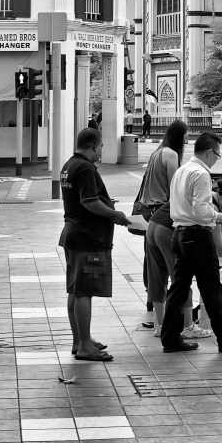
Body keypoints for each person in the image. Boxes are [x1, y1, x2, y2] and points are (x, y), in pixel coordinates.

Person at [160, 131, 222, 353]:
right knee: (211, 289)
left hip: (179, 233)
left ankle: (170, 338)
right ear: (210, 152)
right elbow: (201, 212)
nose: (216, 159)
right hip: (197, 235)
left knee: (178, 288)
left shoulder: (181, 171)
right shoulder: (201, 174)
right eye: (217, 155)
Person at [59, 127, 131, 362]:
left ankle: (80, 340)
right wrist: (113, 214)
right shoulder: (86, 168)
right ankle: (84, 347)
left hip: (73, 234)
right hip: (86, 237)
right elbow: (89, 202)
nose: (101, 152)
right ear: (95, 145)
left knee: (75, 289)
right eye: (101, 147)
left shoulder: (68, 165)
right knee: (84, 292)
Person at [148, 179, 222, 340]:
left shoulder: (206, 195)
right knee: (181, 282)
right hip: (170, 231)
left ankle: (160, 325)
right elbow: (220, 247)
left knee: (157, 277)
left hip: (153, 226)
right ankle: (188, 326)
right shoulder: (212, 208)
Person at [137, 119, 189, 325]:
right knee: (175, 267)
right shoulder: (171, 154)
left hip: (149, 214)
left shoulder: (157, 152)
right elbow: (175, 187)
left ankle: (156, 312)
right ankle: (184, 321)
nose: (186, 141)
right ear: (179, 137)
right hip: (163, 213)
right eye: (185, 137)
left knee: (153, 265)